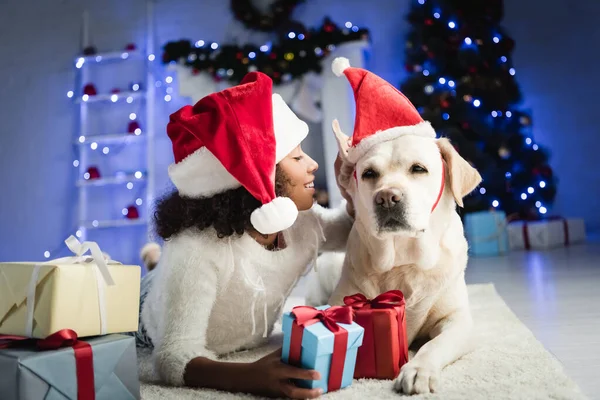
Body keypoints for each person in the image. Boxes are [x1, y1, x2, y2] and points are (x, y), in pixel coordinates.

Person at [133, 71, 354, 399]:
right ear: (256, 180)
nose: (312, 165)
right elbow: (170, 356)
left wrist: (353, 189)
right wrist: (248, 376)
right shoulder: (196, 248)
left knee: (171, 273)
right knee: (149, 292)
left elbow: (354, 232)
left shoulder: (304, 223)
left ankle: (155, 261)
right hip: (148, 310)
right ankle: (156, 265)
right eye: (296, 157)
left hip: (198, 286)